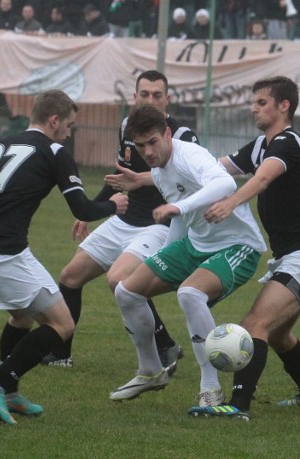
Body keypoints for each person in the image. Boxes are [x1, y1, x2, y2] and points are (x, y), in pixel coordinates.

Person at [0, 90, 128, 426]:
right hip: (5, 255)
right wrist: (112, 205)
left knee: (21, 319)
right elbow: (82, 208)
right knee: (62, 325)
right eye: (69, 126)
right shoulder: (55, 151)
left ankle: (10, 392)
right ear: (54, 120)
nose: (70, 133)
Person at [188, 76, 300, 421]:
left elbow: (263, 178)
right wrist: (158, 173)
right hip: (290, 256)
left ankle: (238, 406)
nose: (254, 107)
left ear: (284, 106)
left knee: (254, 324)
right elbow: (214, 169)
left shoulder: (288, 142)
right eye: (253, 101)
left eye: (262, 102)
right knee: (280, 334)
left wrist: (231, 202)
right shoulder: (260, 145)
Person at [106, 104, 267, 407]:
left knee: (190, 293)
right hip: (196, 243)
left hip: (237, 245)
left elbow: (226, 183)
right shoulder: (158, 170)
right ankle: (151, 370)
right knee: (126, 292)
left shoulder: (189, 154)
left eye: (153, 142)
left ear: (167, 134)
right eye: (141, 146)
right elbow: (182, 215)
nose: (148, 151)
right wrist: (167, 253)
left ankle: (211, 388)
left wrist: (178, 207)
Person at [42, 71, 198, 369]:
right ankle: (61, 354)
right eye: (144, 94)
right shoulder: (127, 126)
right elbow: (121, 177)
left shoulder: (181, 136)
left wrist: (143, 180)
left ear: (168, 99)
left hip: (159, 225)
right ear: (134, 97)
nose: (150, 100)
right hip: (125, 218)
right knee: (70, 276)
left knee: (120, 280)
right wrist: (92, 209)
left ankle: (163, 346)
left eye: (157, 94)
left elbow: (193, 180)